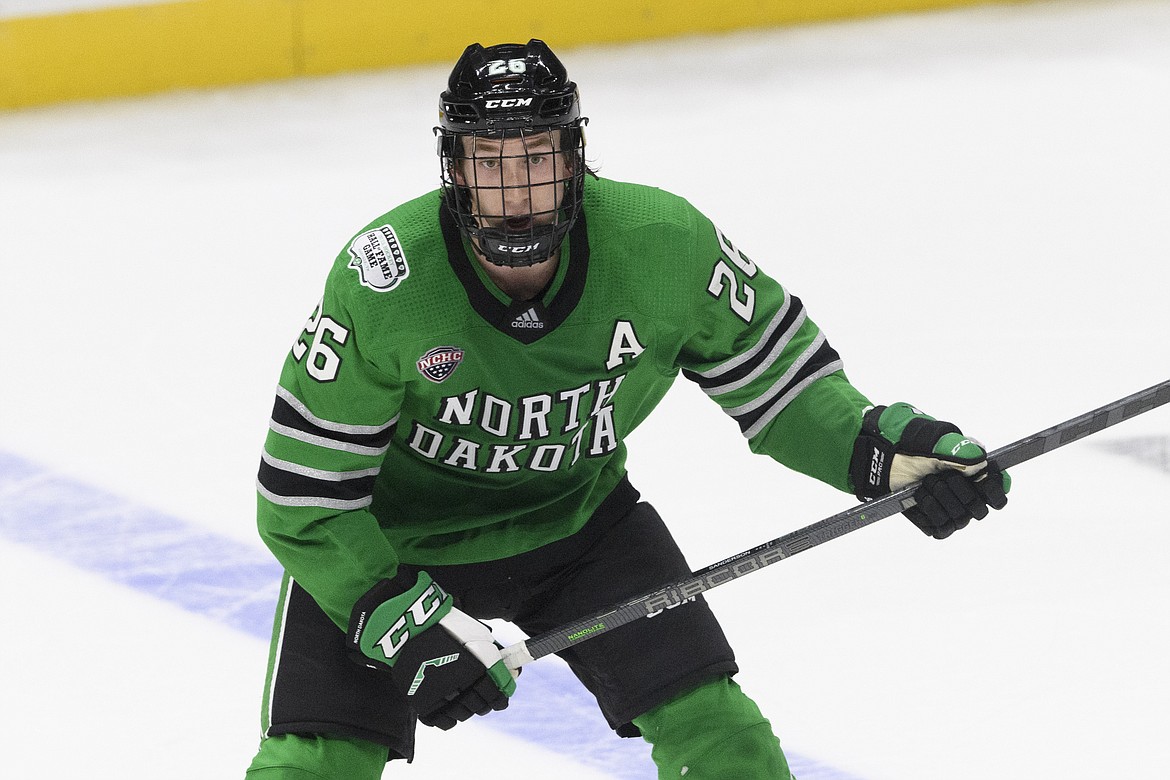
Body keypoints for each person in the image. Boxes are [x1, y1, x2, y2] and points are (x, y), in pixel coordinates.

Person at [244, 39, 1009, 780]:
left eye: (537, 158)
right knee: (314, 766)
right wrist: (394, 614)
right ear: (455, 169)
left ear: (574, 159)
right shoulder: (385, 280)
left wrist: (876, 453)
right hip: (392, 546)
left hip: (582, 530)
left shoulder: (663, 245)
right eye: (490, 162)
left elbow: (782, 385)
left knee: (722, 741)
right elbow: (303, 497)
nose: (516, 192)